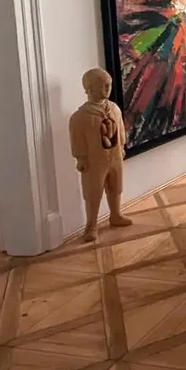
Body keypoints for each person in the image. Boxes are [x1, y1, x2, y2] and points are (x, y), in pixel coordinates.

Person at [70, 68, 133, 241]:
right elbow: (77, 140)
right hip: (94, 160)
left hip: (115, 156)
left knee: (116, 186)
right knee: (93, 192)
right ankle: (91, 225)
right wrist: (81, 158)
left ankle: (116, 214)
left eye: (109, 84)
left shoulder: (114, 108)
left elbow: (120, 129)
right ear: (89, 88)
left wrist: (121, 146)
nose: (108, 87)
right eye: (103, 85)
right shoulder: (80, 117)